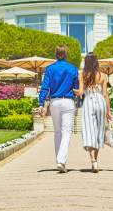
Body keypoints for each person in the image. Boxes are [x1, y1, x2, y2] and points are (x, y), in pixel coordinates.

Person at [38, 45, 79, 173]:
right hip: (68, 101)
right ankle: (61, 161)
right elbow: (76, 87)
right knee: (66, 132)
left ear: (55, 54)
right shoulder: (73, 68)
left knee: (57, 132)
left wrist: (41, 104)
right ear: (66, 54)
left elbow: (45, 88)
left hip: (54, 102)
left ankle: (59, 160)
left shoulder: (49, 69)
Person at [75, 53, 112, 173]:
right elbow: (105, 94)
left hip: (89, 102)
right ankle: (95, 159)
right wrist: (108, 111)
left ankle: (93, 161)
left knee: (90, 131)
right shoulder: (102, 76)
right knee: (99, 132)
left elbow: (80, 92)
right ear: (96, 62)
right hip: (100, 102)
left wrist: (72, 90)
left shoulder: (83, 75)